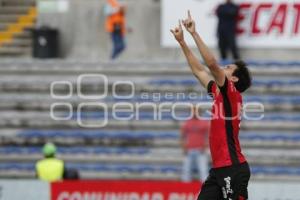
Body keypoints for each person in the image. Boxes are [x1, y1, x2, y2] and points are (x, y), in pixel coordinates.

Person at [171, 10, 252, 200]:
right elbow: (199, 70)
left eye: (229, 68)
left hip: (232, 168)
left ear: (234, 78)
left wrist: (194, 34)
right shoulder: (219, 92)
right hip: (219, 170)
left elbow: (212, 64)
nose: (224, 68)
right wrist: (182, 42)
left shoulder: (232, 93)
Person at [181, 106, 210, 182]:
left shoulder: (204, 122)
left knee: (203, 170)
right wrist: (184, 147)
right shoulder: (187, 122)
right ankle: (185, 189)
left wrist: (205, 146)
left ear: (199, 112)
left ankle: (205, 190)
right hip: (189, 149)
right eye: (193, 111)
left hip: (200, 150)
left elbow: (209, 135)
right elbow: (182, 136)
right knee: (186, 170)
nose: (194, 113)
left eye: (196, 111)